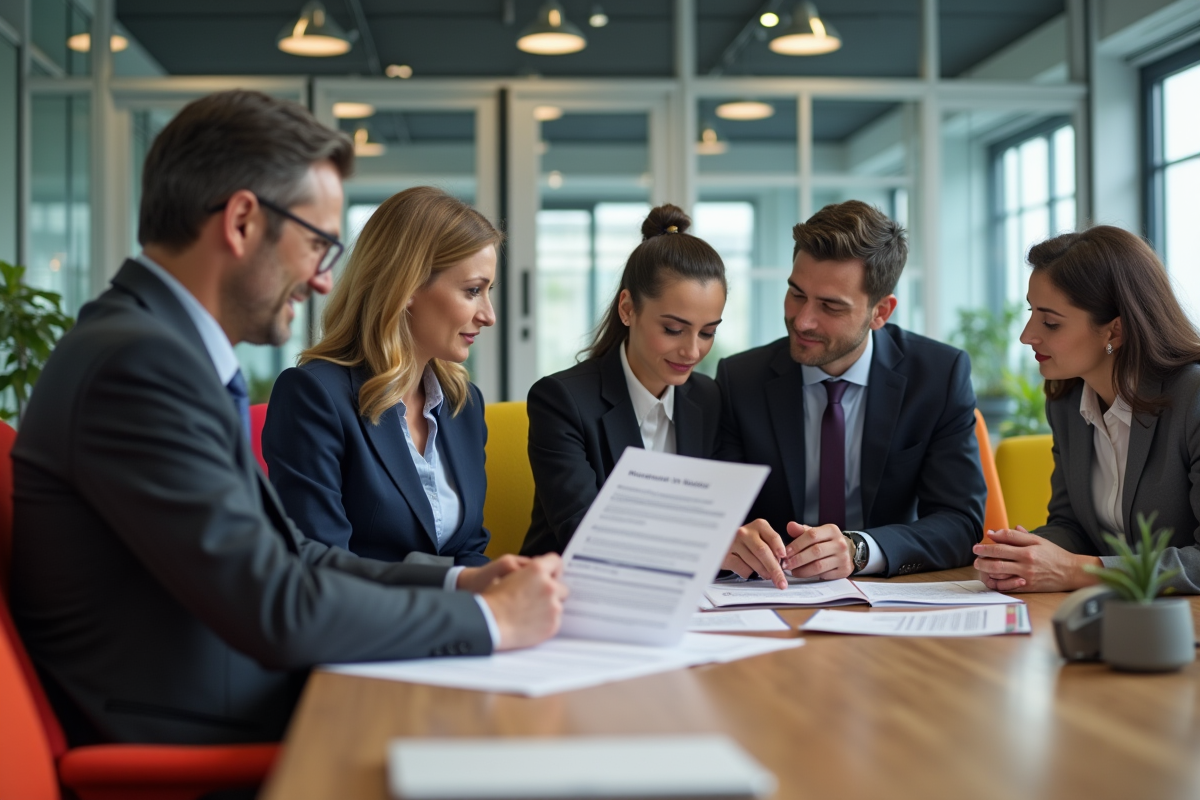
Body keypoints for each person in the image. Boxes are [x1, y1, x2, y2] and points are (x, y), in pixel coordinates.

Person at [10, 90, 567, 747]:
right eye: (315, 244)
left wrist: (461, 579)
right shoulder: (140, 365)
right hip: (204, 735)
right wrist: (490, 622)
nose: (325, 281)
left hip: (242, 695)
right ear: (243, 221)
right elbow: (276, 607)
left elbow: (290, 556)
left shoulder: (160, 349)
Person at [716, 200, 986, 588]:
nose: (803, 319)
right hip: (772, 595)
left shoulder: (938, 376)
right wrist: (733, 538)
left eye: (830, 306)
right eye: (796, 293)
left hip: (889, 597)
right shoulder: (740, 379)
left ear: (881, 312)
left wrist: (861, 549)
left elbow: (961, 523)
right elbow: (717, 517)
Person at [263, 187, 498, 566]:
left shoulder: (463, 404)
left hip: (457, 620)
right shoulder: (313, 395)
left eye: (489, 291)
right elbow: (321, 566)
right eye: (473, 291)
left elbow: (468, 550)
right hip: (364, 623)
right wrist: (458, 587)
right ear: (406, 287)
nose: (489, 314)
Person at [974, 227, 1200, 593]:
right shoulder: (1065, 402)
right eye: (1032, 313)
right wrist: (1021, 555)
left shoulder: (1193, 398)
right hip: (1110, 619)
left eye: (1050, 322)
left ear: (1114, 331)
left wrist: (1080, 571)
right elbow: (1072, 526)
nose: (1027, 334)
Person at [520, 204, 725, 556]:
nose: (692, 351)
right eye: (673, 329)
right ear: (628, 309)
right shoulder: (561, 400)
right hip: (569, 593)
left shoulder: (708, 398)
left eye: (707, 332)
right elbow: (584, 532)